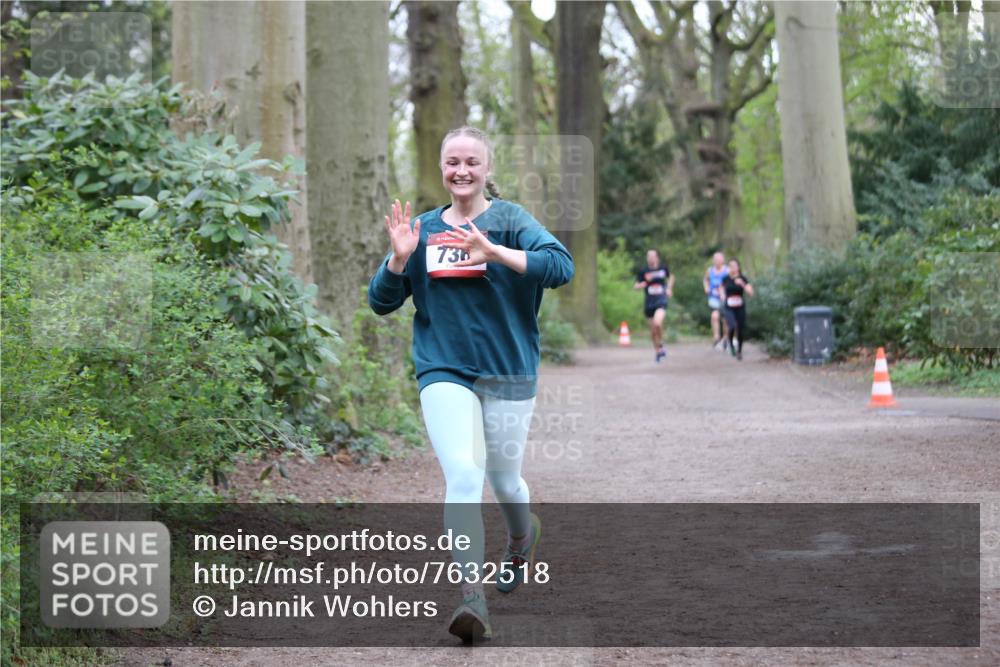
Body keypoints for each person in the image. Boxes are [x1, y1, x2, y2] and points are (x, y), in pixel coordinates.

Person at [367, 126, 574, 643]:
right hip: (444, 369)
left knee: (504, 481)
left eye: (471, 162)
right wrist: (397, 260)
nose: (461, 171)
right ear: (442, 167)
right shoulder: (422, 229)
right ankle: (472, 598)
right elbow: (380, 301)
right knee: (464, 473)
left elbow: (560, 267)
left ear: (487, 168)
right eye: (452, 162)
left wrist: (496, 253)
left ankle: (522, 539)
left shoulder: (510, 220)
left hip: (507, 369)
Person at [633, 249, 674, 362]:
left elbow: (671, 277)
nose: (650, 258)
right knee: (652, 330)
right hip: (649, 302)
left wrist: (669, 288)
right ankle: (658, 351)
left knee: (657, 323)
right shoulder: (643, 271)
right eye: (648, 256)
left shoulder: (663, 268)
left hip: (661, 300)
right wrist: (640, 285)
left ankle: (660, 344)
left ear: (657, 258)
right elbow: (636, 285)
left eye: (652, 256)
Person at [719, 258, 753, 361]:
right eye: (730, 266)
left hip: (740, 307)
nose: (732, 268)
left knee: (741, 329)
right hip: (729, 307)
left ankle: (739, 351)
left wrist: (742, 284)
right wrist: (722, 295)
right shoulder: (725, 278)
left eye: (734, 266)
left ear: (738, 267)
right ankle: (731, 343)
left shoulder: (743, 278)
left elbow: (751, 293)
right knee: (732, 325)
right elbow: (720, 288)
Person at [703, 251, 729, 350]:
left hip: (725, 298)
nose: (717, 261)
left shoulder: (727, 270)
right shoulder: (710, 270)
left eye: (719, 259)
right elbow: (705, 279)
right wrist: (706, 287)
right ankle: (716, 337)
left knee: (725, 319)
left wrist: (726, 292)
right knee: (714, 316)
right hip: (713, 297)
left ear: (723, 260)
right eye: (715, 259)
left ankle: (726, 338)